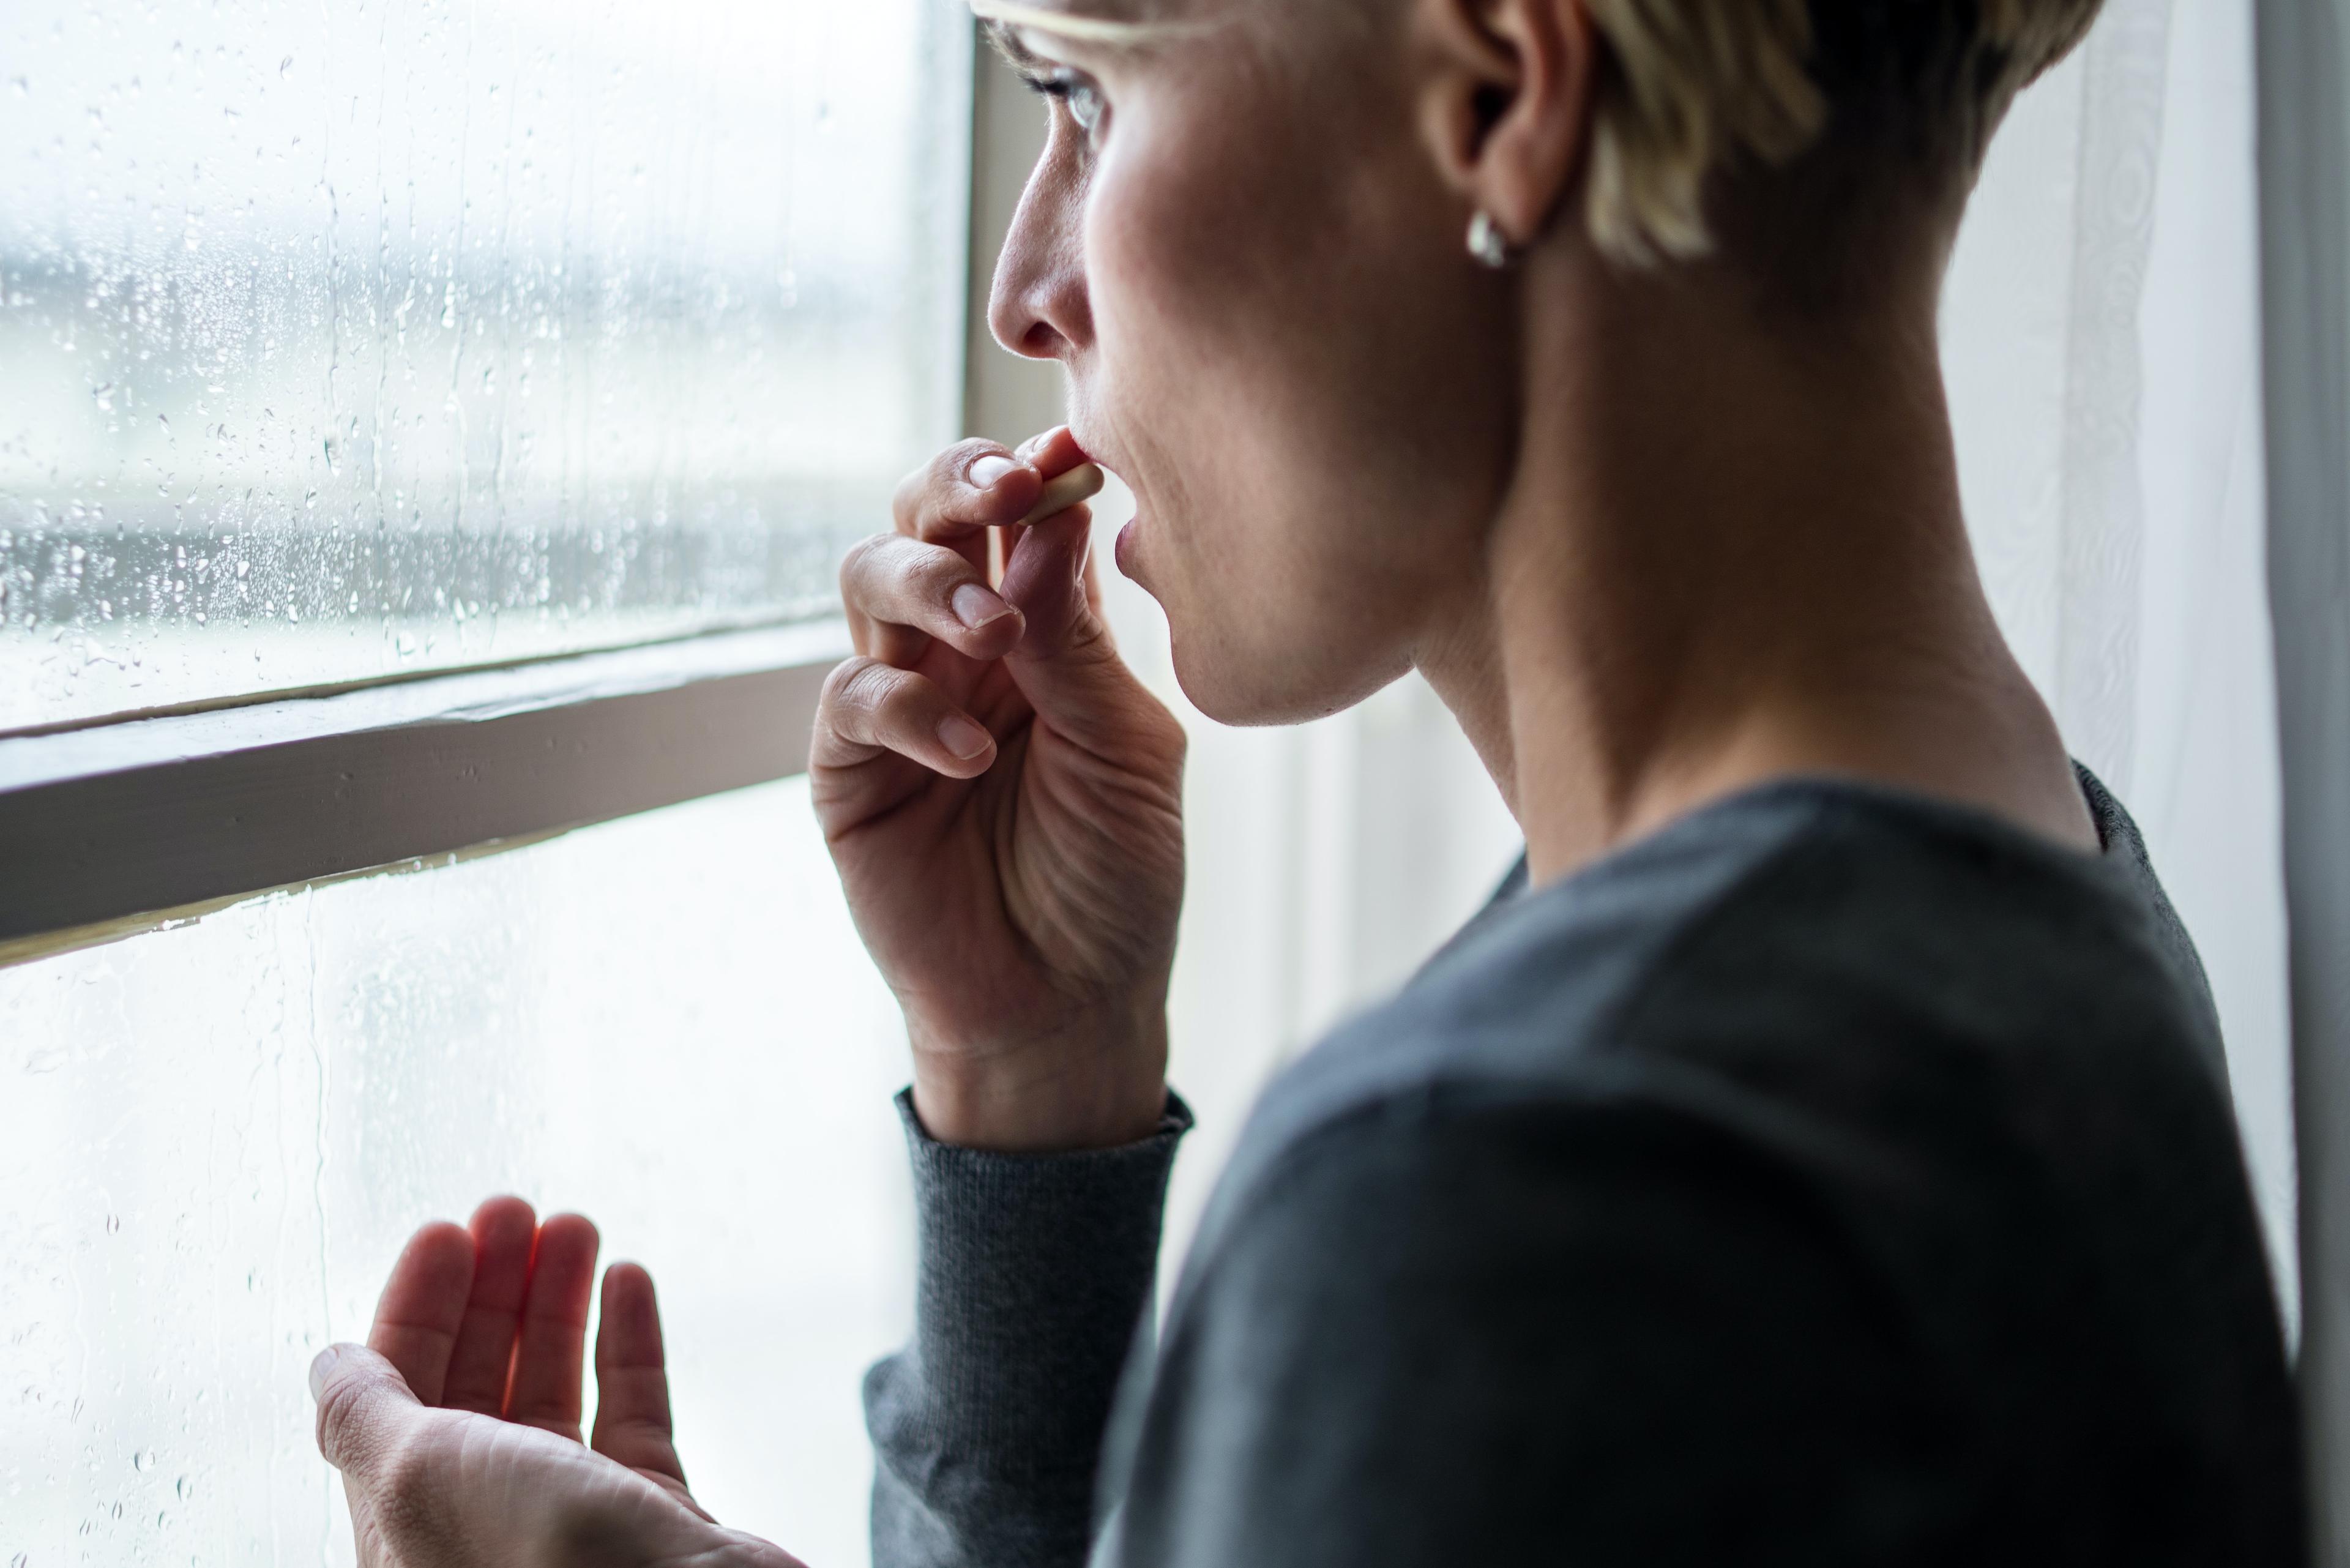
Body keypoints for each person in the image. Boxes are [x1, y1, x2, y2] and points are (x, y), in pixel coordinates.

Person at [306, 0, 2305, 1561]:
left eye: (1082, 89)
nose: (1027, 285)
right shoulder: (2047, 897)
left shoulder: (1529, 1177)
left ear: (1508, 91)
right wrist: (1033, 1080)